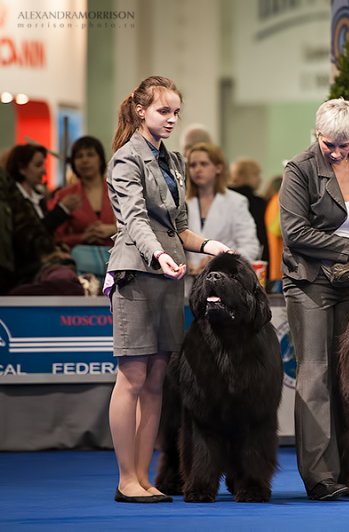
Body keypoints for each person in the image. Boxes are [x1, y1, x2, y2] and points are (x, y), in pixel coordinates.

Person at [105, 76, 230, 503]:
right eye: (164, 111)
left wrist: (210, 245)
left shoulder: (172, 161)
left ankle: (142, 477)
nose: (173, 119)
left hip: (169, 274)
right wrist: (158, 256)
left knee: (157, 379)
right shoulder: (126, 159)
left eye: (177, 111)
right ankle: (126, 479)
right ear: (141, 111)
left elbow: (178, 228)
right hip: (137, 273)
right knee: (133, 376)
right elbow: (135, 220)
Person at [280, 97, 349, 501]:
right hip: (309, 281)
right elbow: (294, 233)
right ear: (317, 134)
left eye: (343, 144)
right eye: (329, 143)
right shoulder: (299, 169)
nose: (336, 151)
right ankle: (320, 476)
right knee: (315, 374)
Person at [184, 143, 260, 295]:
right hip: (185, 285)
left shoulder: (236, 202)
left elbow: (251, 247)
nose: (197, 169)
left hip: (224, 285)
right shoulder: (180, 202)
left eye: (204, 164)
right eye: (192, 165)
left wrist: (220, 260)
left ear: (218, 168)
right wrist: (185, 264)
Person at [51, 136, 117, 275]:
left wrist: (113, 229)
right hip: (80, 266)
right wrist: (82, 237)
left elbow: (139, 225)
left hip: (119, 261)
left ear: (100, 159)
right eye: (79, 156)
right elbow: (55, 237)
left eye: (90, 154)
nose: (85, 160)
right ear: (74, 162)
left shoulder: (118, 190)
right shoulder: (64, 195)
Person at [6, 143, 80, 233]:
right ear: (22, 169)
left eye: (43, 165)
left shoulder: (39, 199)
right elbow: (32, 233)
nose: (44, 171)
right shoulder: (13, 200)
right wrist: (62, 209)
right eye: (38, 165)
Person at [229, 158, 269, 263]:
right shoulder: (257, 203)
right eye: (256, 175)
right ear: (246, 175)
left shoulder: (222, 197)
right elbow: (262, 234)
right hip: (248, 255)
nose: (260, 179)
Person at [263, 175, 283, 291]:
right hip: (280, 257)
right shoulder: (279, 199)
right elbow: (276, 228)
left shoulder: (272, 201)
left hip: (275, 255)